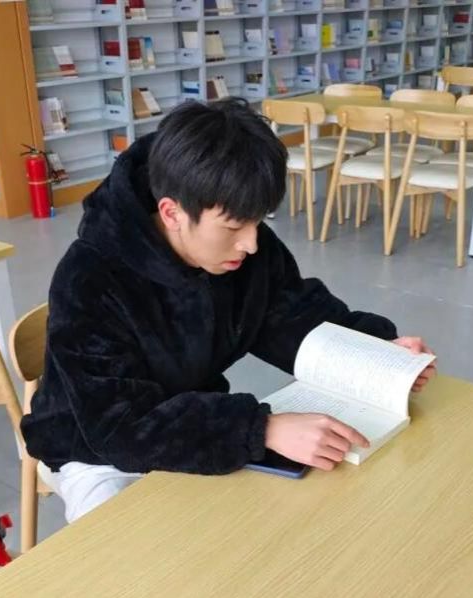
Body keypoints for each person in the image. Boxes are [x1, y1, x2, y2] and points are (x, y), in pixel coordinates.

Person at [21, 99, 436, 523]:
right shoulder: (90, 277)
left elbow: (297, 317)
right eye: (234, 227)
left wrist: (379, 353)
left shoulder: (243, 244)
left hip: (198, 424)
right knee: (126, 550)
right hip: (94, 449)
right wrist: (259, 429)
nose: (251, 244)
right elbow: (118, 427)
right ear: (172, 213)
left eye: (258, 221)